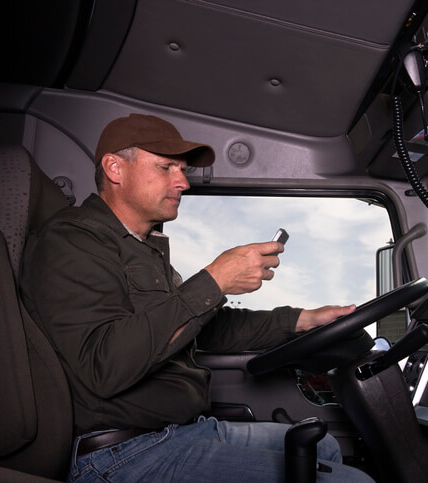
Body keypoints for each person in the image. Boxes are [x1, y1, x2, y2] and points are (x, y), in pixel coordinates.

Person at [20, 113, 373, 482]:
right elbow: (105, 366)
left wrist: (304, 319)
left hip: (181, 431)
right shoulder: (71, 241)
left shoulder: (143, 250)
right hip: (123, 454)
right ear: (115, 169)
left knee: (326, 446)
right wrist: (215, 280)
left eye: (183, 170)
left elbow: (208, 330)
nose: (183, 182)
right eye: (166, 167)